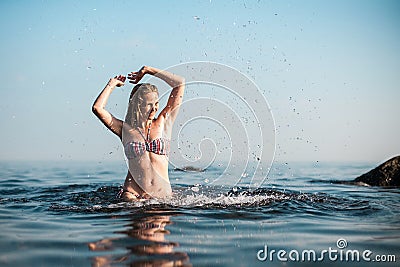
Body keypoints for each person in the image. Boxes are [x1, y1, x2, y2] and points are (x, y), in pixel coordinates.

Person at [92, 66, 185, 200]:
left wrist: (149, 70)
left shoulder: (164, 121)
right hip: (133, 194)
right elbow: (97, 108)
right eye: (149, 104)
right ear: (138, 105)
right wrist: (111, 84)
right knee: (133, 210)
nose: (155, 108)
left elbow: (179, 83)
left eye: (157, 103)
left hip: (162, 195)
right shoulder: (125, 129)